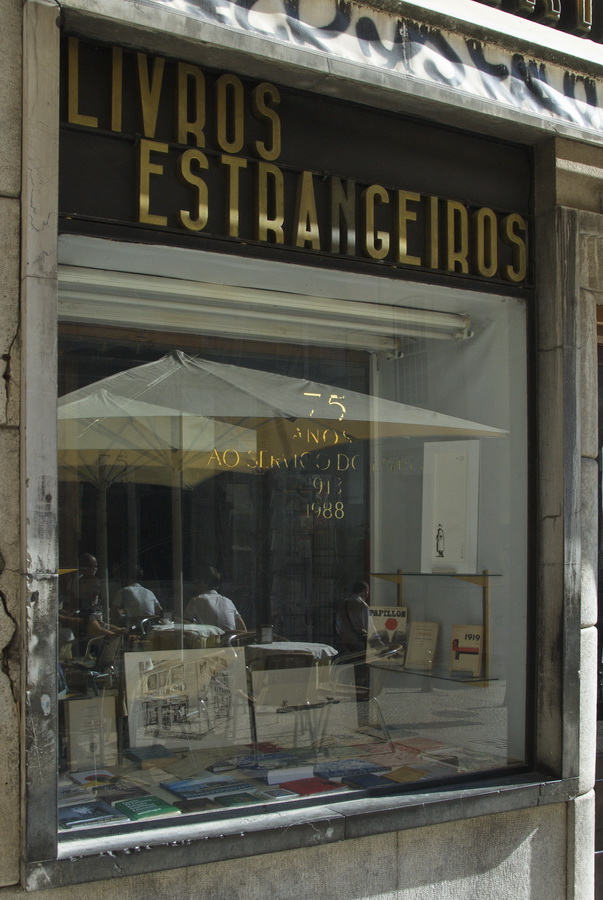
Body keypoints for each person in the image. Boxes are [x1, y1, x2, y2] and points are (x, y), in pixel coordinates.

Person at [184, 566, 246, 632]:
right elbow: (243, 630)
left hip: (212, 638)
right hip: (231, 638)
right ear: (217, 586)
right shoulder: (228, 601)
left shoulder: (196, 600)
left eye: (196, 582)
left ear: (202, 582)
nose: (195, 585)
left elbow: (184, 626)